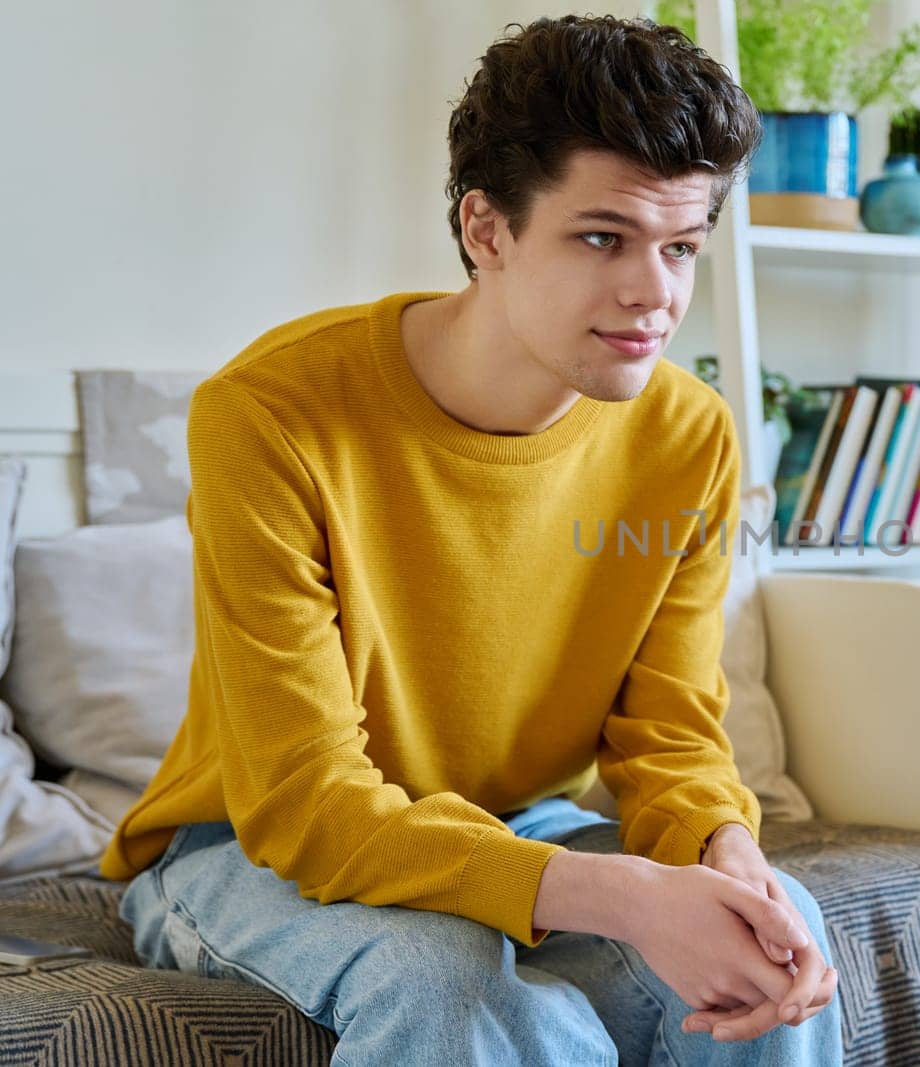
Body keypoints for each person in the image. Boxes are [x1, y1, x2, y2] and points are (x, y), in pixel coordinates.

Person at [100, 14, 842, 1066]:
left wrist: (723, 851)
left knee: (770, 937)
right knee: (452, 988)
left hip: (515, 822)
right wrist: (621, 891)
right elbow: (306, 803)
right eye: (603, 238)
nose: (655, 291)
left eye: (680, 247)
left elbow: (668, 732)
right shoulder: (271, 416)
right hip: (243, 851)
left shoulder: (688, 434)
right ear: (486, 230)